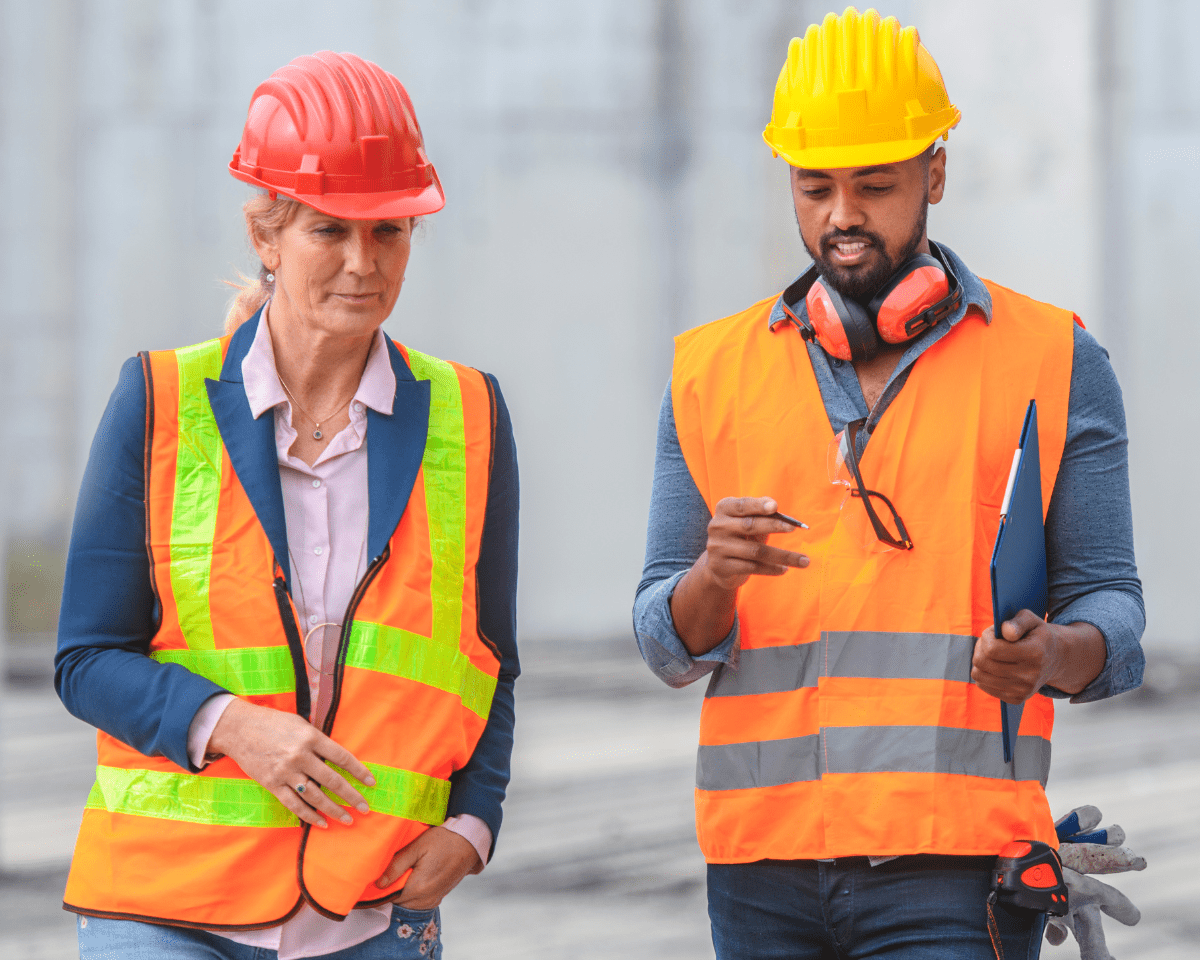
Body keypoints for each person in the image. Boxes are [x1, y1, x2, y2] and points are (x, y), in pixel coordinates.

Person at [632, 7, 1144, 959]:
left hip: (958, 876)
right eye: (815, 185)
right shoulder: (709, 374)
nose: (842, 216)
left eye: (875, 184)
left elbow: (1115, 617)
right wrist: (713, 580)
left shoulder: (1058, 360)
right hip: (758, 876)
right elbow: (666, 642)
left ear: (935, 174)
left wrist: (1052, 656)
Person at [55, 51, 519, 960]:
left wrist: (474, 827)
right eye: (328, 230)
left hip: (372, 911)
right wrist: (228, 723)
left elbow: (490, 660)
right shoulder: (158, 400)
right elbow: (84, 657)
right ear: (267, 235)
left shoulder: (469, 415)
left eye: (389, 231)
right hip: (166, 908)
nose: (362, 263)